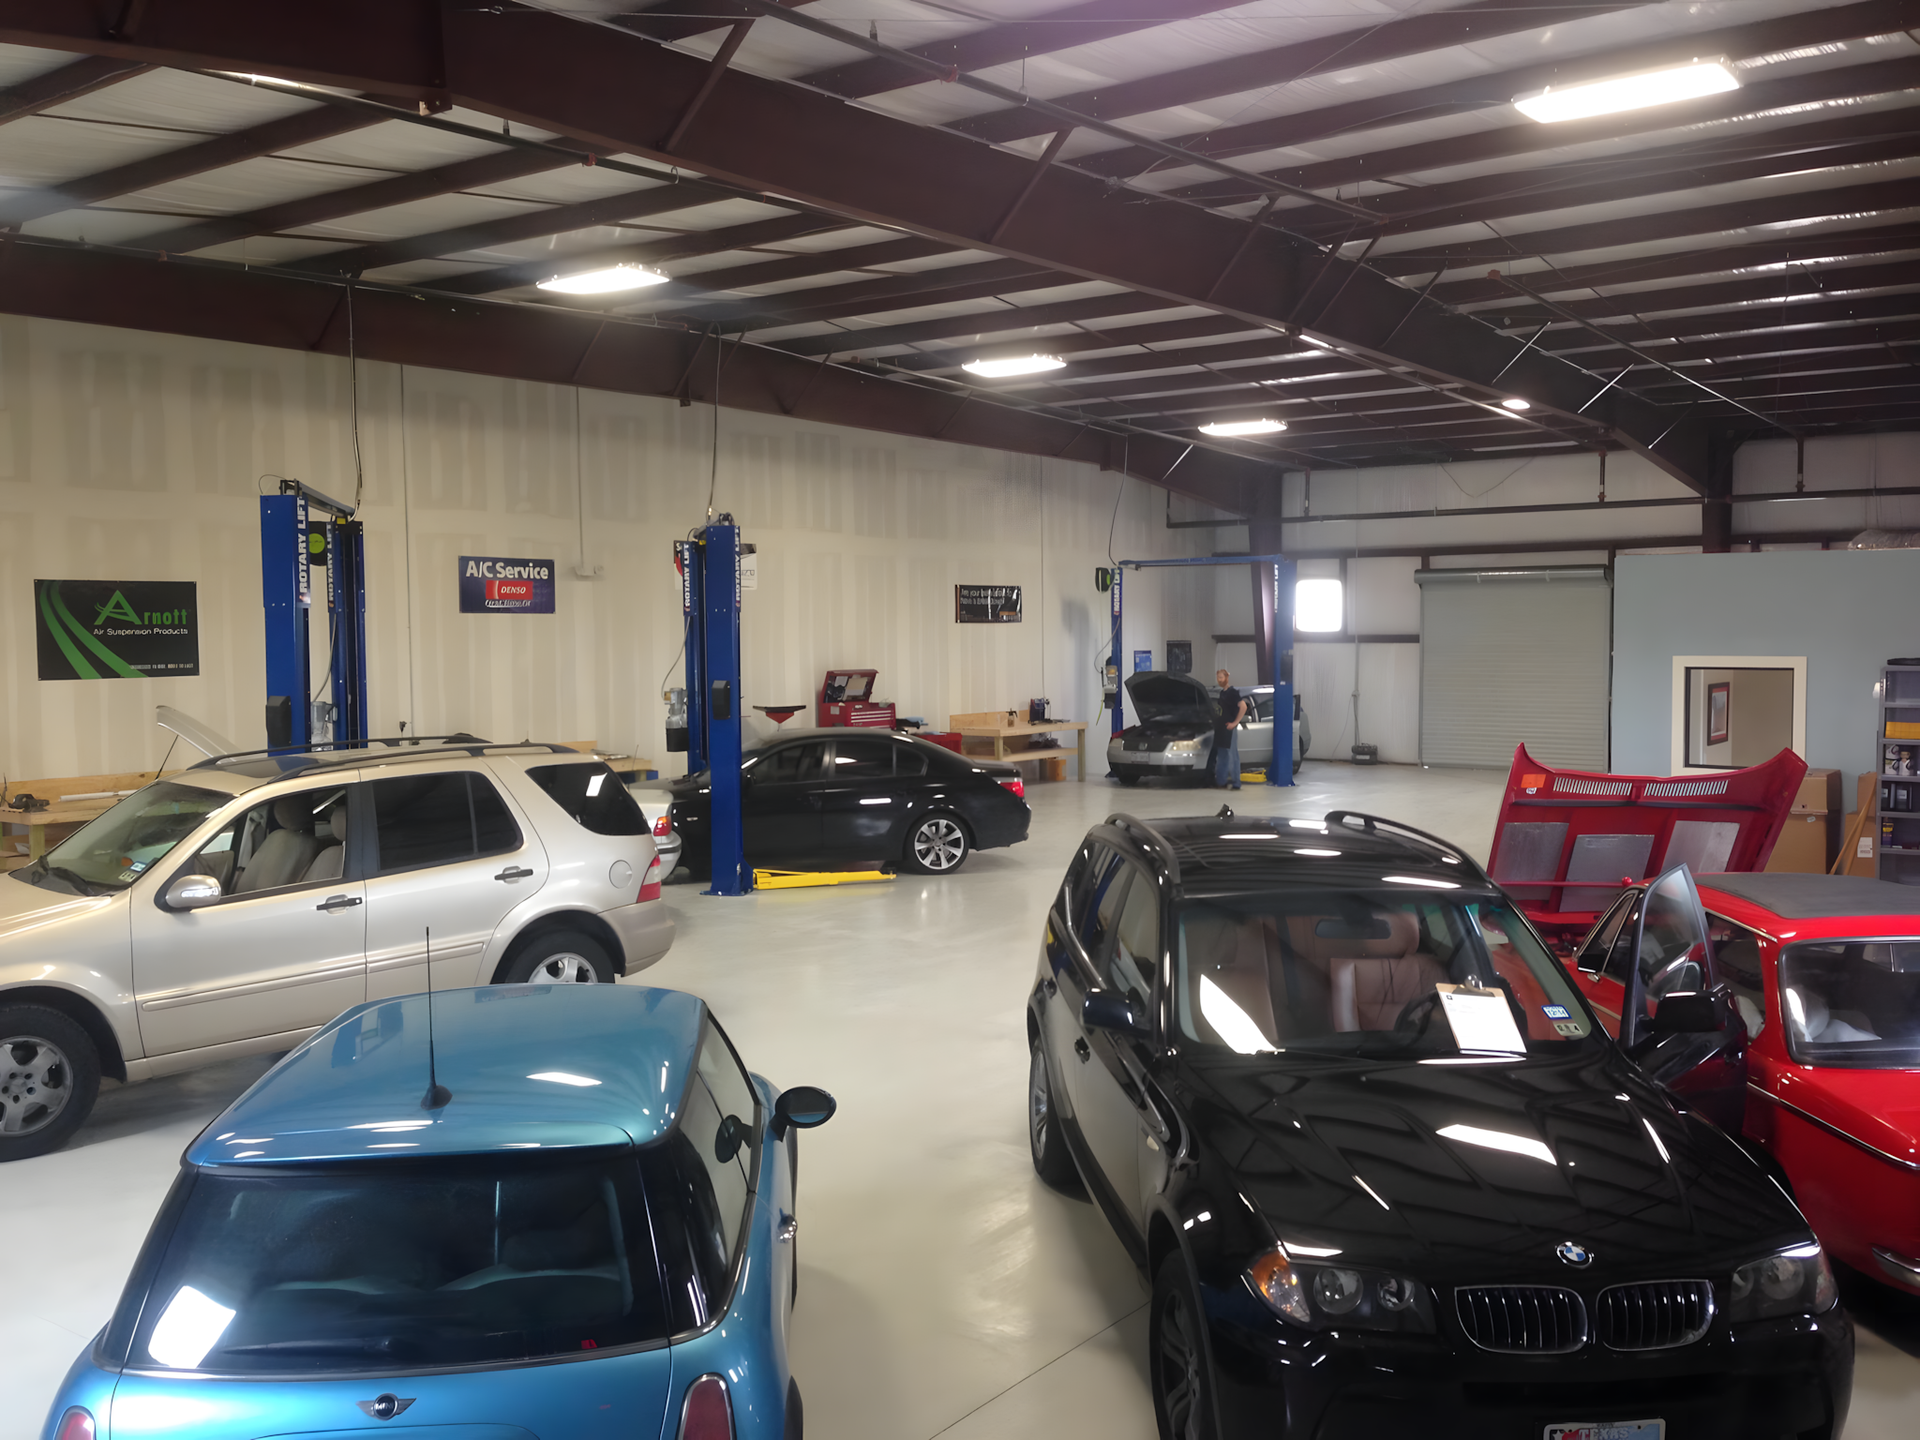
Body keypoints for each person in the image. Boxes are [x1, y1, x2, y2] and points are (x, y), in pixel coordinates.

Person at [1213, 668, 1246, 789]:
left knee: (1232, 755)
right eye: (1218, 678)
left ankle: (1236, 782)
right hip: (1221, 728)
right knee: (1222, 755)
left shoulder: (1233, 692)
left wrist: (1235, 723)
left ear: (1226, 678)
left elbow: (1243, 706)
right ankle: (1221, 782)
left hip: (1230, 728)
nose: (1219, 680)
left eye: (1221, 677)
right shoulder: (1222, 693)